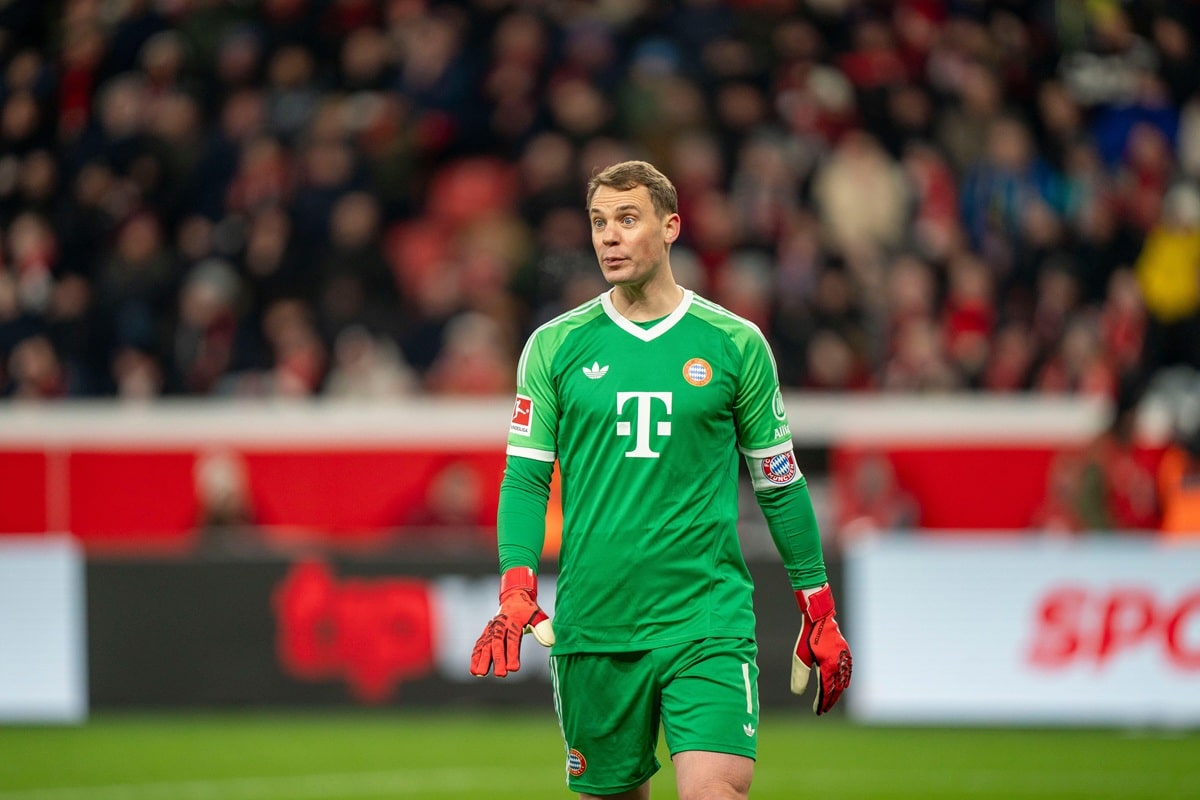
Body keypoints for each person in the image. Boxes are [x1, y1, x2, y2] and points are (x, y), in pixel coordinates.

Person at [469, 160, 851, 800]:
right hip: (594, 625)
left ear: (671, 226)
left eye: (627, 218)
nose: (608, 237)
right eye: (598, 222)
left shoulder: (736, 344)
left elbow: (778, 483)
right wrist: (515, 581)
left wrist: (817, 603)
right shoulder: (553, 346)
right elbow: (526, 479)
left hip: (705, 619)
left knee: (716, 792)